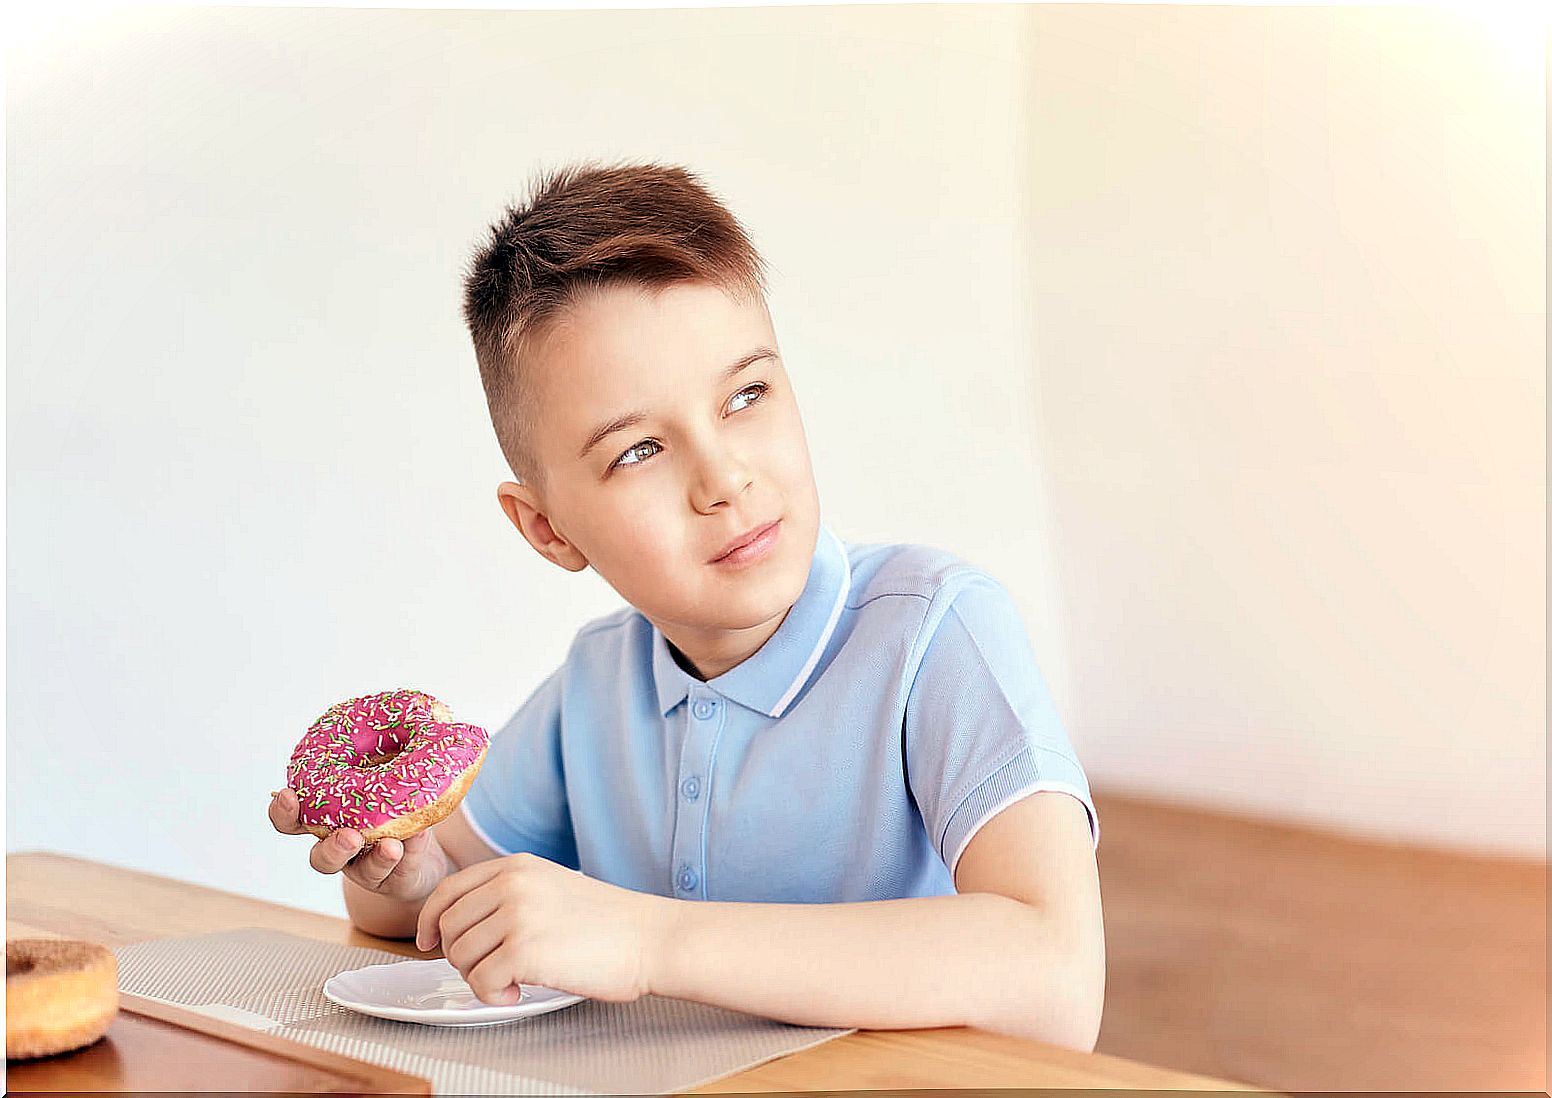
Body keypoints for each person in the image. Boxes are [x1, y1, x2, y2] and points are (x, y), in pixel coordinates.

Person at [270, 159, 1104, 1051]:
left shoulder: (935, 633)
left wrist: (646, 940)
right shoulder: (597, 682)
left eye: (746, 396)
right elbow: (406, 907)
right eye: (639, 451)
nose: (724, 479)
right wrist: (409, 876)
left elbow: (1055, 977)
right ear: (548, 528)